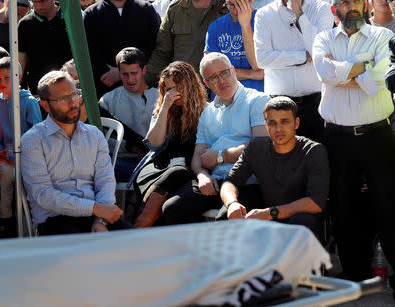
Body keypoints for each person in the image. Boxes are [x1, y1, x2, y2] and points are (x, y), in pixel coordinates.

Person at [312, 0, 395, 283]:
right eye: (343, 2)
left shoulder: (384, 36)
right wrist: (361, 68)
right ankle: (353, 273)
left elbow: (379, 82)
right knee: (343, 208)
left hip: (378, 137)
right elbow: (322, 73)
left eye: (356, 1)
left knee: (389, 206)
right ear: (335, 9)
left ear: (366, 4)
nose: (351, 8)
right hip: (337, 138)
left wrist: (340, 73)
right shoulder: (323, 38)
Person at [160, 53, 269, 224]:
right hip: (214, 181)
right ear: (206, 83)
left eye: (224, 73)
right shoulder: (208, 112)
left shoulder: (257, 100)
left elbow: (261, 147)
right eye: (213, 78)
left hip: (246, 182)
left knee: (225, 220)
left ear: (233, 71)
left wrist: (221, 156)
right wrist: (202, 175)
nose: (221, 80)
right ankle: (198, 250)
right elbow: (198, 156)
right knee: (172, 209)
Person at [21, 71, 128, 235]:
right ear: (45, 105)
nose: (73, 103)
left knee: (140, 245)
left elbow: (105, 181)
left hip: (96, 215)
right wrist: (96, 209)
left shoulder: (94, 135)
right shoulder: (33, 140)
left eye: (74, 94)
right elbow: (44, 196)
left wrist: (100, 221)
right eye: (63, 99)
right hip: (56, 220)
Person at [219, 97, 329, 237]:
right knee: (227, 215)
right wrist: (232, 203)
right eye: (272, 123)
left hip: (302, 223)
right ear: (266, 125)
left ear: (296, 123)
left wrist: (271, 213)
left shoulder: (314, 150)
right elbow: (230, 182)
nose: (278, 129)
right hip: (268, 219)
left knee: (302, 221)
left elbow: (316, 202)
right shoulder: (256, 147)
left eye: (285, 122)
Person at [130, 61, 207, 227]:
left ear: (189, 87)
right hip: (159, 166)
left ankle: (137, 228)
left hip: (188, 168)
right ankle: (139, 229)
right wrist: (165, 107)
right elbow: (154, 144)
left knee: (177, 173)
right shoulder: (162, 109)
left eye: (176, 88)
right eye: (167, 88)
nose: (172, 93)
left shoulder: (205, 111)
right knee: (170, 178)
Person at [253, 0, 333, 142]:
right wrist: (303, 56)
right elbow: (263, 59)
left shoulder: (322, 8)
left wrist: (299, 14)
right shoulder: (263, 14)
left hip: (316, 103)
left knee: (316, 157)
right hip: (278, 103)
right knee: (281, 160)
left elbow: (319, 52)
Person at [0, 57, 42, 236]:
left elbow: (36, 131)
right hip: (6, 157)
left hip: (28, 155)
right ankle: (5, 220)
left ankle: (35, 219)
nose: (1, 82)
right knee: (4, 175)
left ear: (17, 77)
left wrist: (22, 151)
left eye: (6, 78)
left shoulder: (29, 101)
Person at [83, 0, 161, 96]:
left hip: (145, 88)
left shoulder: (146, 9)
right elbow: (88, 52)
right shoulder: (91, 14)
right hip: (107, 91)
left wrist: (123, 73)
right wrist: (108, 73)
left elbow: (156, 47)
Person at [144, 0, 226, 87]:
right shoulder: (175, 9)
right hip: (184, 89)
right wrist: (144, 81)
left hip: (220, 86)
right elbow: (162, 53)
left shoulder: (228, 6)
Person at [98, 47, 158, 164]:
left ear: (144, 69)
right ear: (119, 72)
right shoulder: (108, 100)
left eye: (134, 73)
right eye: (125, 74)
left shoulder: (160, 98)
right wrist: (128, 147)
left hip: (153, 161)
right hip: (119, 160)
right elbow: (99, 140)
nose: (130, 79)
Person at [205, 0, 264, 96]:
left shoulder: (263, 21)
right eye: (231, 5)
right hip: (225, 99)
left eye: (241, 4)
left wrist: (245, 25)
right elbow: (211, 71)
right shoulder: (216, 26)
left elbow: (257, 65)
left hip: (256, 96)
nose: (236, 10)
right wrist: (251, 74)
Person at [18, 0, 72, 96]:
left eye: (42, 2)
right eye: (34, 2)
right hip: (39, 92)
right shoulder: (24, 24)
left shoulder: (71, 18)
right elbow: (20, 61)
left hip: (70, 88)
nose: (38, 6)